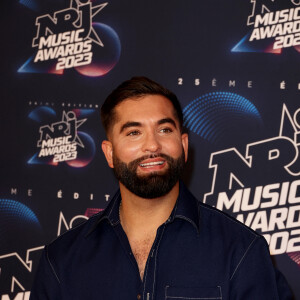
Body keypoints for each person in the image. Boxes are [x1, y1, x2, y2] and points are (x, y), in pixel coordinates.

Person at [30, 77, 293, 299]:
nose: (153, 145)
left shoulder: (241, 249)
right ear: (110, 153)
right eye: (134, 133)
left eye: (165, 130)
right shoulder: (61, 261)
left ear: (184, 145)